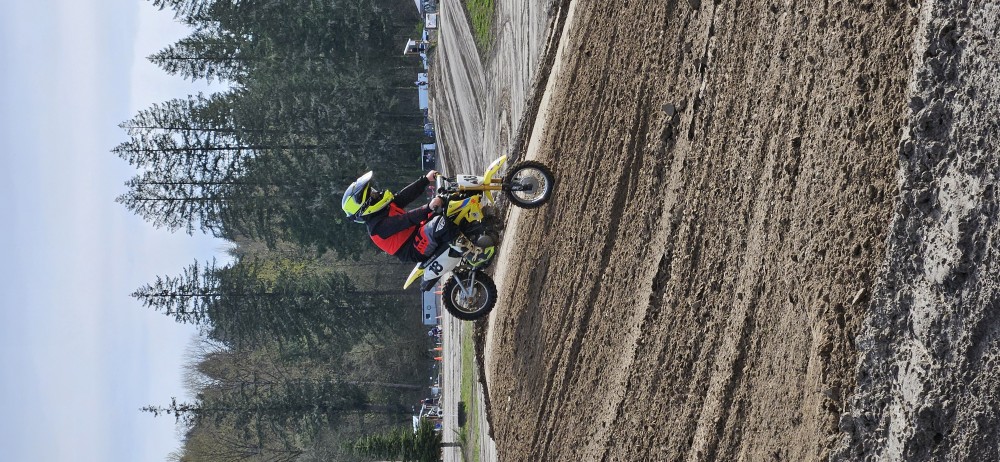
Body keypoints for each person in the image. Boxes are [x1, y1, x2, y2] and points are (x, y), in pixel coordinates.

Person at [341, 170, 493, 263]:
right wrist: (428, 207)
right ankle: (473, 256)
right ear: (366, 205)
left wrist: (425, 180)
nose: (376, 192)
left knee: (449, 201)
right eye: (372, 194)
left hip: (418, 232)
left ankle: (480, 224)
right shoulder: (377, 228)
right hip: (414, 248)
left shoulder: (383, 208)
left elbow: (405, 196)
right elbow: (406, 220)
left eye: (373, 190)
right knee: (440, 223)